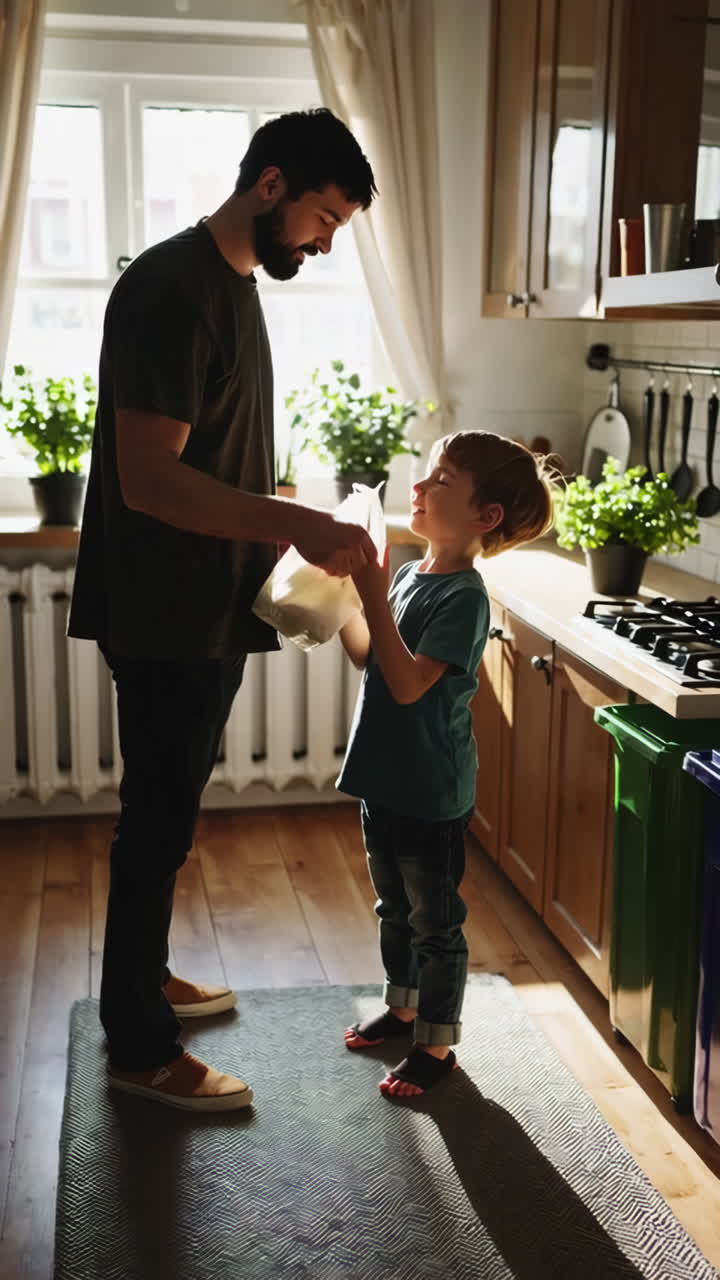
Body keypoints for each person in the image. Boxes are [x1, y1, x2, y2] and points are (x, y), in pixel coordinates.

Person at [67, 109, 377, 1112]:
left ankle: (144, 977)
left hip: (207, 604)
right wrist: (294, 517)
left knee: (170, 815)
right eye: (324, 218)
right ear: (272, 185)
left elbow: (211, 461)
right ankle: (140, 1046)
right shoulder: (170, 290)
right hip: (164, 611)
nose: (325, 243)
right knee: (155, 823)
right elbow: (151, 481)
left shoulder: (233, 287)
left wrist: (283, 529)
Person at [337, 431, 553, 1098]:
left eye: (442, 481)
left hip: (430, 791)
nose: (421, 487)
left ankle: (436, 1044)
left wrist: (372, 592)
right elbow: (368, 655)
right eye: (426, 476)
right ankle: (402, 1007)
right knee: (393, 907)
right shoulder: (408, 575)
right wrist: (344, 596)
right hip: (384, 778)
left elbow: (407, 685)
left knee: (436, 923)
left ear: (484, 516)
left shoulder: (464, 597)